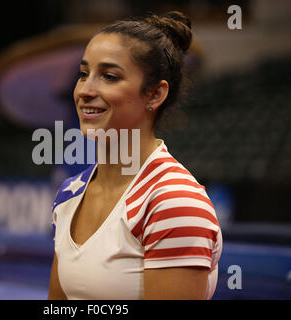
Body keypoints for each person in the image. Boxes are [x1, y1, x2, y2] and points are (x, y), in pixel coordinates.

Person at [48, 11, 222, 300]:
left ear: (155, 95)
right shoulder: (70, 193)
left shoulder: (173, 202)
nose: (85, 90)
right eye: (83, 74)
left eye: (109, 76)